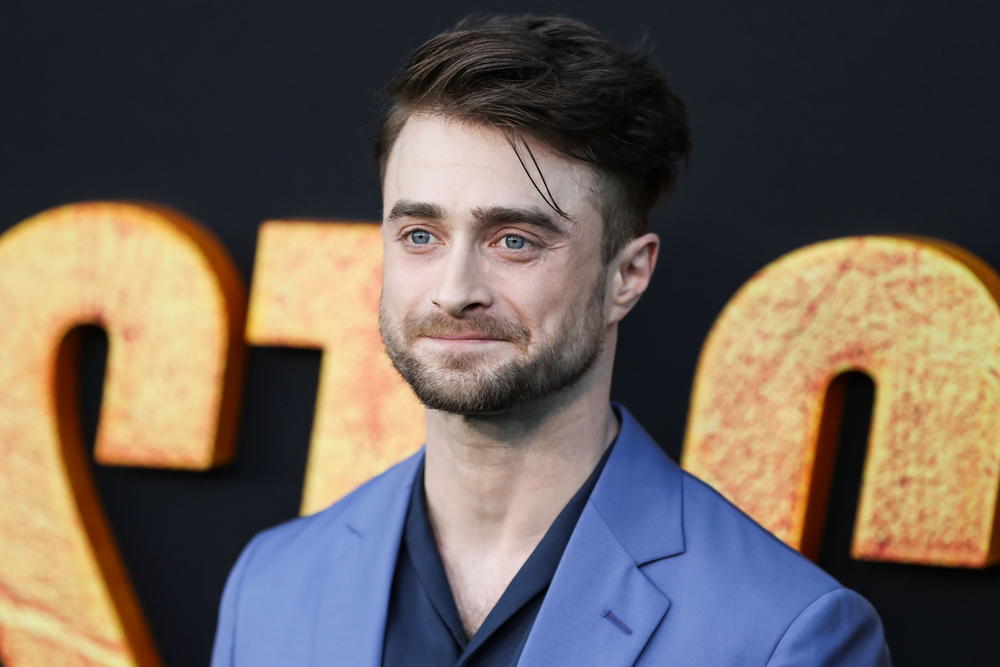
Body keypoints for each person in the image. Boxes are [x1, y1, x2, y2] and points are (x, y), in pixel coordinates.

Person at [211, 14, 891, 666]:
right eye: (420, 235)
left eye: (514, 240)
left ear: (627, 276)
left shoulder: (783, 635)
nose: (454, 290)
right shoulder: (270, 583)